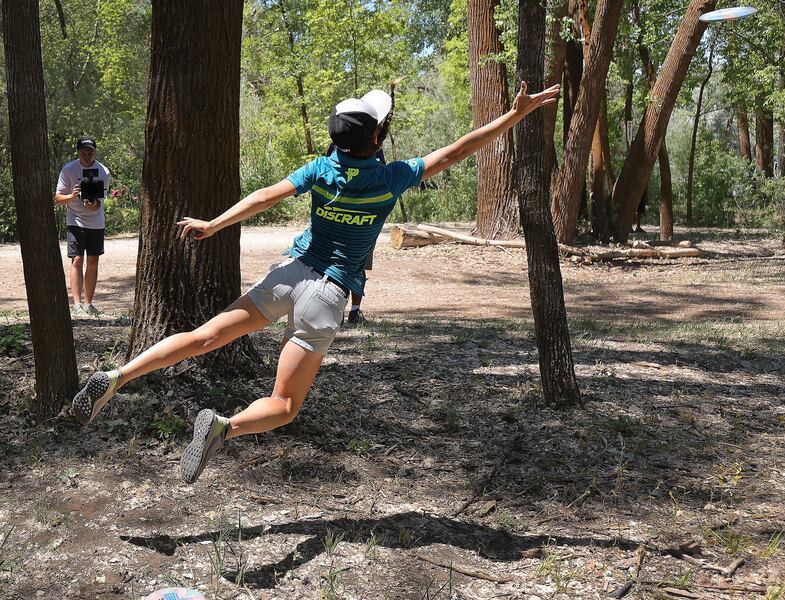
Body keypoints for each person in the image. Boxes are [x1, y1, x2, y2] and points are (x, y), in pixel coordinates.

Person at [70, 81, 560, 484]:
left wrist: (215, 224)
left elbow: (264, 196)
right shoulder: (391, 177)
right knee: (284, 405)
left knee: (204, 337)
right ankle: (223, 427)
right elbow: (459, 150)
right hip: (326, 295)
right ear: (374, 141)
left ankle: (119, 376)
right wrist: (514, 115)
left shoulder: (321, 170)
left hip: (289, 275)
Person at [324, 142, 387, 325]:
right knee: (335, 264)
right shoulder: (335, 146)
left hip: (365, 218)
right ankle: (337, 310)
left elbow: (381, 174)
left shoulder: (375, 147)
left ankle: (355, 311)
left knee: (359, 266)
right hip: (338, 217)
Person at [54, 136, 111, 317]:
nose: (86, 156)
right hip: (75, 219)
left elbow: (99, 204)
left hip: (95, 221)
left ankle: (88, 303)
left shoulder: (103, 172)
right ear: (78, 152)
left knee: (93, 260)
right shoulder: (69, 169)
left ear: (95, 152)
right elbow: (58, 199)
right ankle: (77, 304)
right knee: (77, 259)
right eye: (83, 152)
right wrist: (72, 196)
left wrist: (91, 204)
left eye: (90, 152)